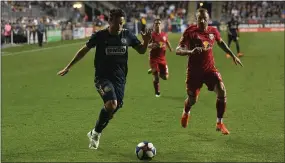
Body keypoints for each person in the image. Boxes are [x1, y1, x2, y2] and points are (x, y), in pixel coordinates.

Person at [57, 8, 152, 149]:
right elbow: (84, 50)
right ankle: (96, 135)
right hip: (102, 78)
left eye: (122, 23)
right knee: (112, 104)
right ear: (109, 21)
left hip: (120, 80)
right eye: (117, 23)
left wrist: (145, 42)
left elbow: (141, 51)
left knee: (113, 107)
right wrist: (68, 67)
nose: (120, 26)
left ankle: (94, 132)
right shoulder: (100, 36)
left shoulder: (127, 35)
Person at [176, 8, 243, 135]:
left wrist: (233, 55)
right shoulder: (190, 31)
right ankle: (186, 112)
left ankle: (220, 123)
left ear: (208, 19)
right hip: (194, 73)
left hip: (209, 70)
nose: (202, 21)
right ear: (196, 19)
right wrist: (190, 52)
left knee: (222, 90)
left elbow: (221, 43)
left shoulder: (213, 31)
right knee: (192, 100)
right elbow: (178, 50)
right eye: (199, 18)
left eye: (204, 19)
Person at [147, 18, 173, 97]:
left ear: (161, 25)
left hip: (162, 58)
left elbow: (167, 41)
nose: (158, 25)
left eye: (159, 24)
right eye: (156, 24)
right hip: (154, 58)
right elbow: (147, 45)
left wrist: (170, 48)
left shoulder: (164, 34)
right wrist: (152, 45)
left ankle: (154, 70)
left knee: (165, 77)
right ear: (154, 26)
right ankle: (157, 92)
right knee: (156, 77)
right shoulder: (152, 35)